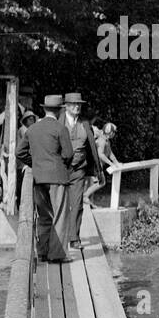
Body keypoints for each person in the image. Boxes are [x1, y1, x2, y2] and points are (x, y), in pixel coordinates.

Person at [16, 94, 73, 263]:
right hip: (57, 177)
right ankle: (57, 254)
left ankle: (42, 252)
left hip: (38, 178)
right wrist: (60, 164)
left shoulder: (32, 129)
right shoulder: (61, 129)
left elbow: (19, 152)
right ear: (60, 110)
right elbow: (69, 154)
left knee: (44, 216)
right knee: (60, 216)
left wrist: (34, 163)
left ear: (44, 109)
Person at [61, 91, 102, 249]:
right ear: (66, 106)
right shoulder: (59, 122)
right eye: (73, 104)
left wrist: (98, 171)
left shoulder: (85, 123)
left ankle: (74, 238)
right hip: (60, 169)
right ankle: (58, 237)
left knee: (77, 204)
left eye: (79, 104)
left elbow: (92, 147)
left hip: (79, 170)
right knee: (59, 204)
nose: (77, 107)